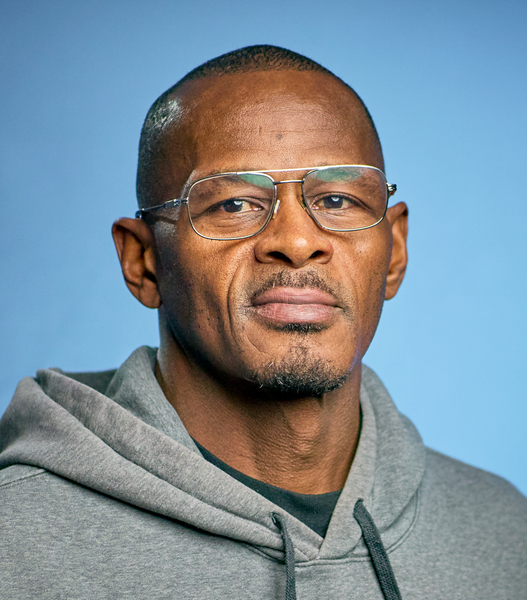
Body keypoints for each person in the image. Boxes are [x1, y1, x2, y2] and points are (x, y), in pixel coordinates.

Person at [0, 45, 525, 600]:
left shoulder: (505, 536)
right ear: (143, 262)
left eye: (338, 199)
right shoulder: (15, 545)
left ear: (394, 252)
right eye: (233, 205)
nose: (296, 241)